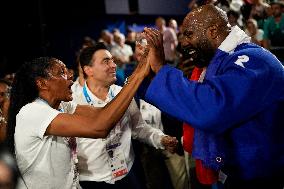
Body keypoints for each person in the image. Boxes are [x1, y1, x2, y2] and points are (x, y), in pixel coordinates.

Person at [142, 4, 284, 189]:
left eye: (189, 34)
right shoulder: (219, 63)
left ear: (213, 31)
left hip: (265, 180)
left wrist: (161, 69)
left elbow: (211, 109)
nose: (183, 43)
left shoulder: (253, 59)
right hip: (239, 175)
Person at [5, 55, 150, 189]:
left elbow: (101, 113)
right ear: (42, 83)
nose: (70, 74)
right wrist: (137, 76)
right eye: (61, 72)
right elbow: (100, 127)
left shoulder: (62, 106)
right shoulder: (32, 112)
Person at [72, 43, 178, 189]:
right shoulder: (73, 102)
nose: (113, 65)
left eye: (112, 60)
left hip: (128, 173)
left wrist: (161, 138)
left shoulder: (122, 93)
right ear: (88, 70)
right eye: (106, 61)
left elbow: (139, 128)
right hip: (93, 181)